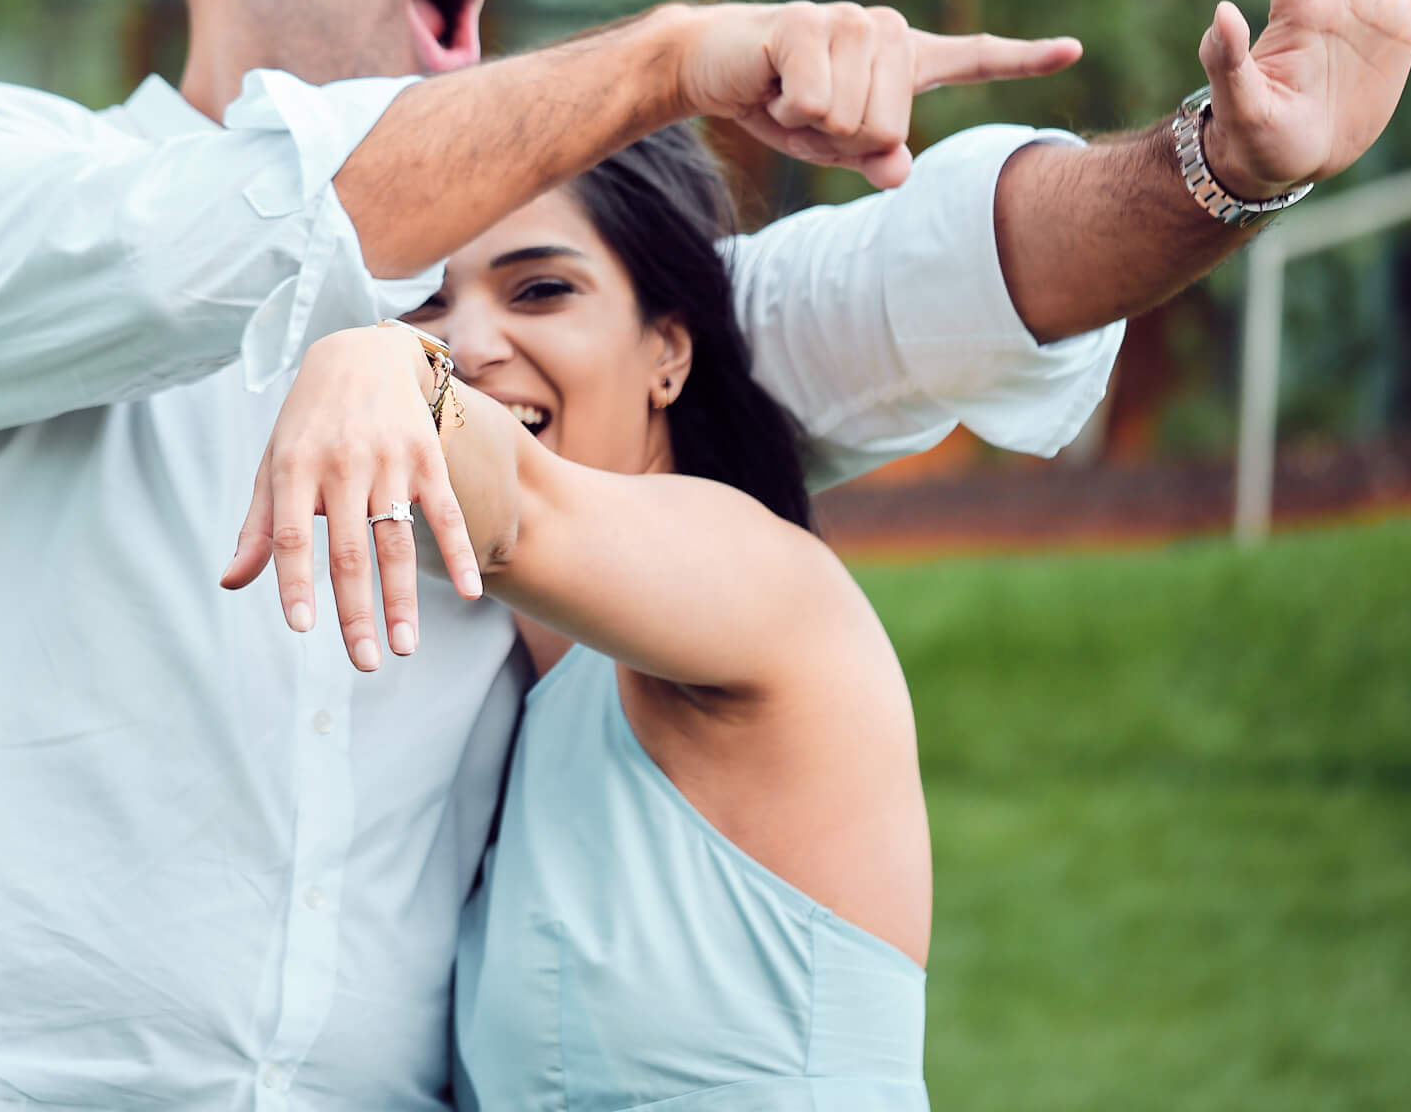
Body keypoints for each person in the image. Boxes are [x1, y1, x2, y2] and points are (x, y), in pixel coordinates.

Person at [0, 0, 1411, 1109]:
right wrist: (665, 58)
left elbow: (943, 276)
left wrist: (1230, 163)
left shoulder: (537, 350)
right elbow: (248, 226)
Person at [227, 124, 936, 1107]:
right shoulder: (517, 715)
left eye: (540, 290)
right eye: (427, 301)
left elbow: (527, 512)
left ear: (667, 354)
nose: (467, 344)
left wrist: (385, 362)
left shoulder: (763, 581)